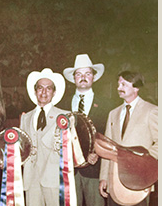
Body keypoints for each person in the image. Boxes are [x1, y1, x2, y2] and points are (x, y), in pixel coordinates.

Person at [60, 54, 114, 206]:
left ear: (94, 77)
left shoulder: (107, 105)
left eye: (87, 73)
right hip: (70, 170)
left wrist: (98, 152)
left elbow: (109, 136)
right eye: (79, 74)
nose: (83, 77)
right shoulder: (62, 104)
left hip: (95, 171)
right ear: (74, 78)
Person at [98, 71, 158, 206]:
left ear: (136, 87)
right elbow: (106, 147)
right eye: (118, 84)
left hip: (140, 180)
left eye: (124, 84)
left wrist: (144, 159)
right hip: (114, 180)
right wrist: (103, 178)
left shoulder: (151, 111)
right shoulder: (113, 114)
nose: (119, 88)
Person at [20, 68, 68, 206]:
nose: (44, 92)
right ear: (35, 91)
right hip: (31, 178)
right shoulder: (25, 117)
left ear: (54, 92)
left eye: (48, 88)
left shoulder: (64, 116)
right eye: (40, 88)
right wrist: (8, 159)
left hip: (53, 178)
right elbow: (22, 147)